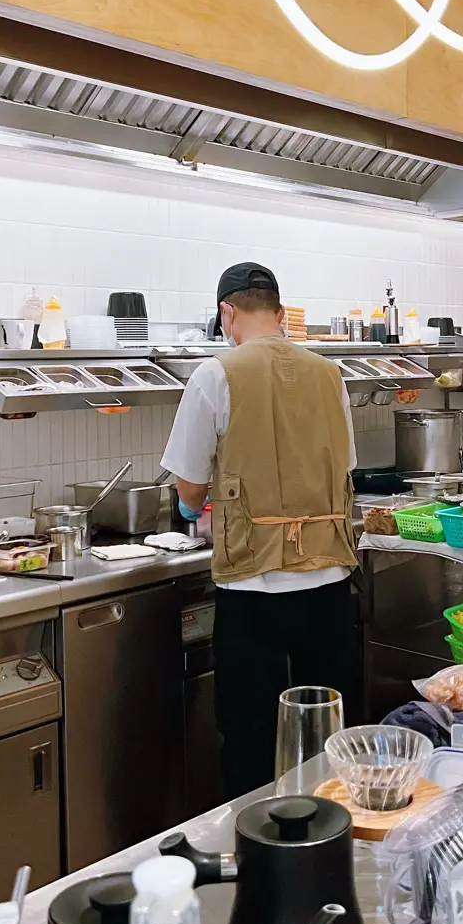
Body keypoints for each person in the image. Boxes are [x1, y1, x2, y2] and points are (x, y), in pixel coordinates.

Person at [159, 262, 359, 796]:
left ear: (227, 312)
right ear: (279, 309)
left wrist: (192, 511)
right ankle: (334, 833)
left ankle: (258, 839)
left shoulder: (215, 375)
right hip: (329, 581)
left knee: (251, 736)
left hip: (254, 585)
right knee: (330, 736)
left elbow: (190, 489)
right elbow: (344, 466)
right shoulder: (330, 374)